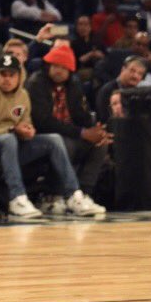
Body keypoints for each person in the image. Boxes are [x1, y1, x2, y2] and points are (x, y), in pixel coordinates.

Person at [0, 52, 101, 218]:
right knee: (9, 139)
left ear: (19, 76)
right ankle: (17, 198)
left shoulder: (23, 95)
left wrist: (29, 131)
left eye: (12, 75)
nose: (7, 79)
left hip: (16, 146)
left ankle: (73, 195)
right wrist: (12, 129)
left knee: (54, 139)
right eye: (3, 74)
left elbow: (26, 122)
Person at [26, 44, 109, 213]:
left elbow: (81, 114)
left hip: (69, 133)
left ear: (70, 71)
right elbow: (43, 122)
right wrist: (82, 133)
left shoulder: (74, 84)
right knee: (63, 143)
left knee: (100, 144)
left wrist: (97, 130)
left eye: (64, 68)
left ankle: (83, 193)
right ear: (48, 66)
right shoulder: (36, 83)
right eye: (56, 66)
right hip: (41, 136)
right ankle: (53, 195)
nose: (59, 71)